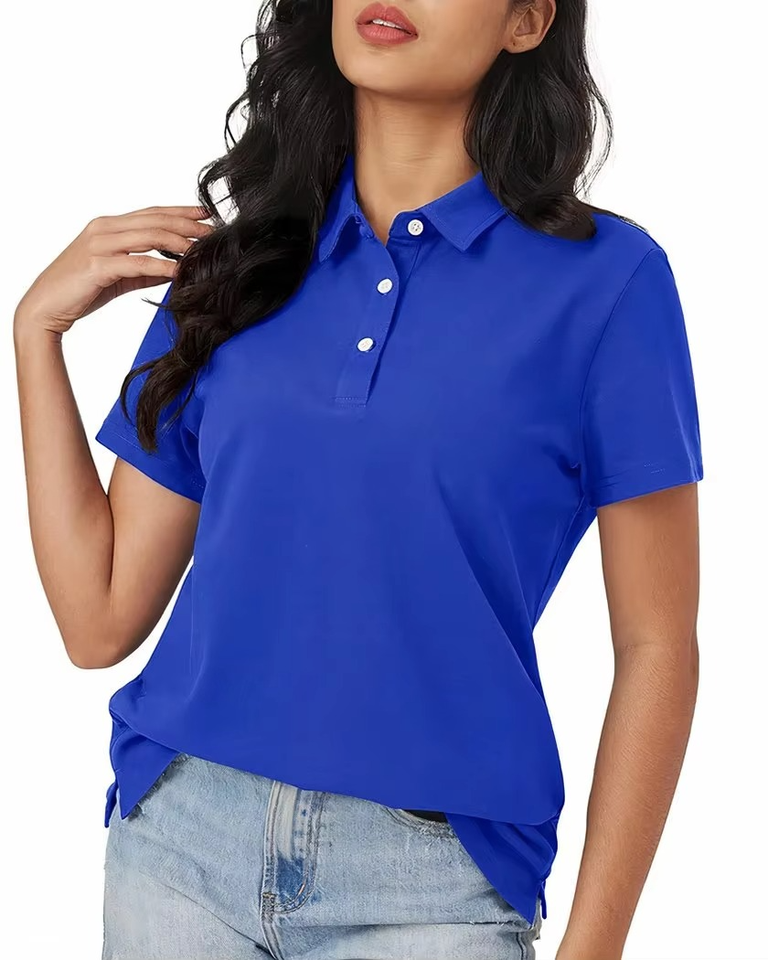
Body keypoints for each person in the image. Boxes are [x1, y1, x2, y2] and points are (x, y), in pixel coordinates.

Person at [13, 1, 704, 958]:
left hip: (430, 888)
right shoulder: (239, 267)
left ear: (527, 20)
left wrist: (596, 947)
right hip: (178, 852)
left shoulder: (609, 283)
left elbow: (658, 646)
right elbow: (97, 619)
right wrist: (35, 336)